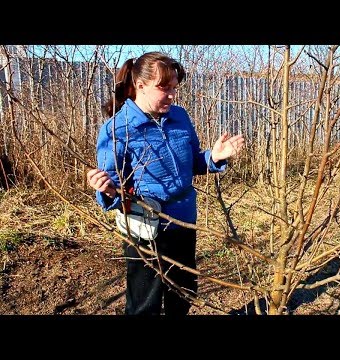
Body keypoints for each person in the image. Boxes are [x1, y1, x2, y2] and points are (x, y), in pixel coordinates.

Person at [86, 52, 245, 315]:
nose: (172, 95)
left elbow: (193, 163)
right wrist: (106, 188)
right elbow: (115, 189)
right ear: (140, 86)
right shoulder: (117, 130)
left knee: (183, 292)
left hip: (184, 219)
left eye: (174, 88)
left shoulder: (179, 117)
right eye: (164, 88)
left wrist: (214, 157)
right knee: (144, 302)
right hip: (145, 227)